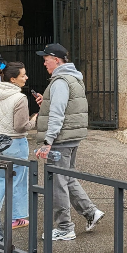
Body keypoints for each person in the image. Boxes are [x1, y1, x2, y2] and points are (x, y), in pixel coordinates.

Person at [34, 42, 104, 240]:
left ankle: (65, 227)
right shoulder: (73, 78)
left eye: (46, 60)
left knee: (57, 183)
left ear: (56, 60)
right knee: (67, 177)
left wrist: (48, 141)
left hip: (61, 139)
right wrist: (45, 102)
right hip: (71, 137)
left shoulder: (59, 81)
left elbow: (57, 114)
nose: (44, 64)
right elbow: (65, 107)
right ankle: (90, 212)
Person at [0, 61, 38, 228]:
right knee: (18, 180)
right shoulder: (19, 98)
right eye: (23, 75)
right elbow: (21, 126)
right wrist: (35, 119)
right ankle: (16, 217)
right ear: (13, 79)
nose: (26, 77)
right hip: (14, 142)